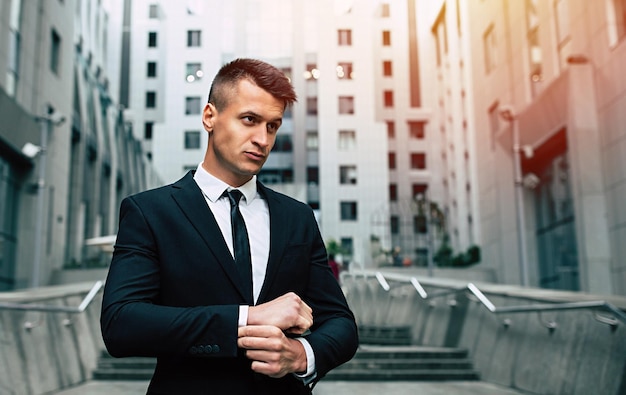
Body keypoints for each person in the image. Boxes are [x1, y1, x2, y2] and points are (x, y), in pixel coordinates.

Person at [100, 58, 359, 394]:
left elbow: (341, 323)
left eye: (272, 126)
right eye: (249, 120)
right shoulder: (150, 212)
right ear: (210, 117)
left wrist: (301, 355)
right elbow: (121, 323)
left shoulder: (297, 217)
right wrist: (246, 318)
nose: (263, 140)